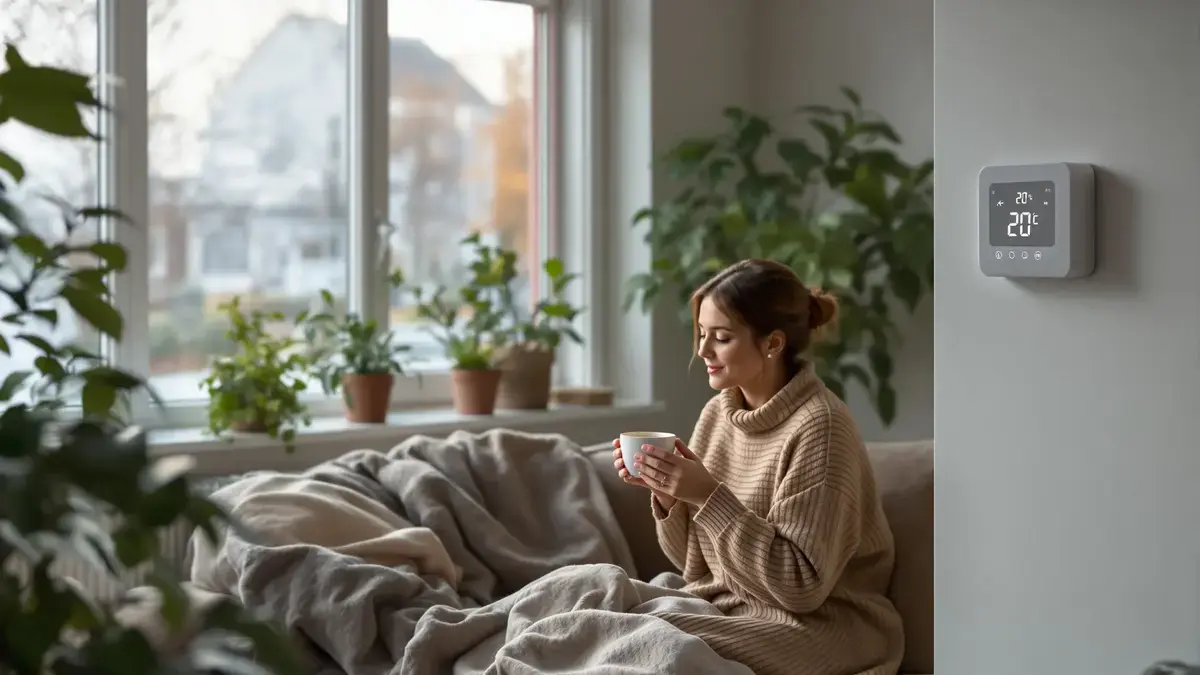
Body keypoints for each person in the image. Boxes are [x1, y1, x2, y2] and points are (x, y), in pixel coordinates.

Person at [611, 259, 904, 675]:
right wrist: (669, 494)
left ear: (772, 344)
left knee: (633, 635)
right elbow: (694, 566)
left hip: (821, 627)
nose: (702, 351)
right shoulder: (718, 414)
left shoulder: (821, 428)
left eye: (722, 337)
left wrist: (707, 496)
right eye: (701, 334)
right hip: (730, 604)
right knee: (591, 591)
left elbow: (800, 589)